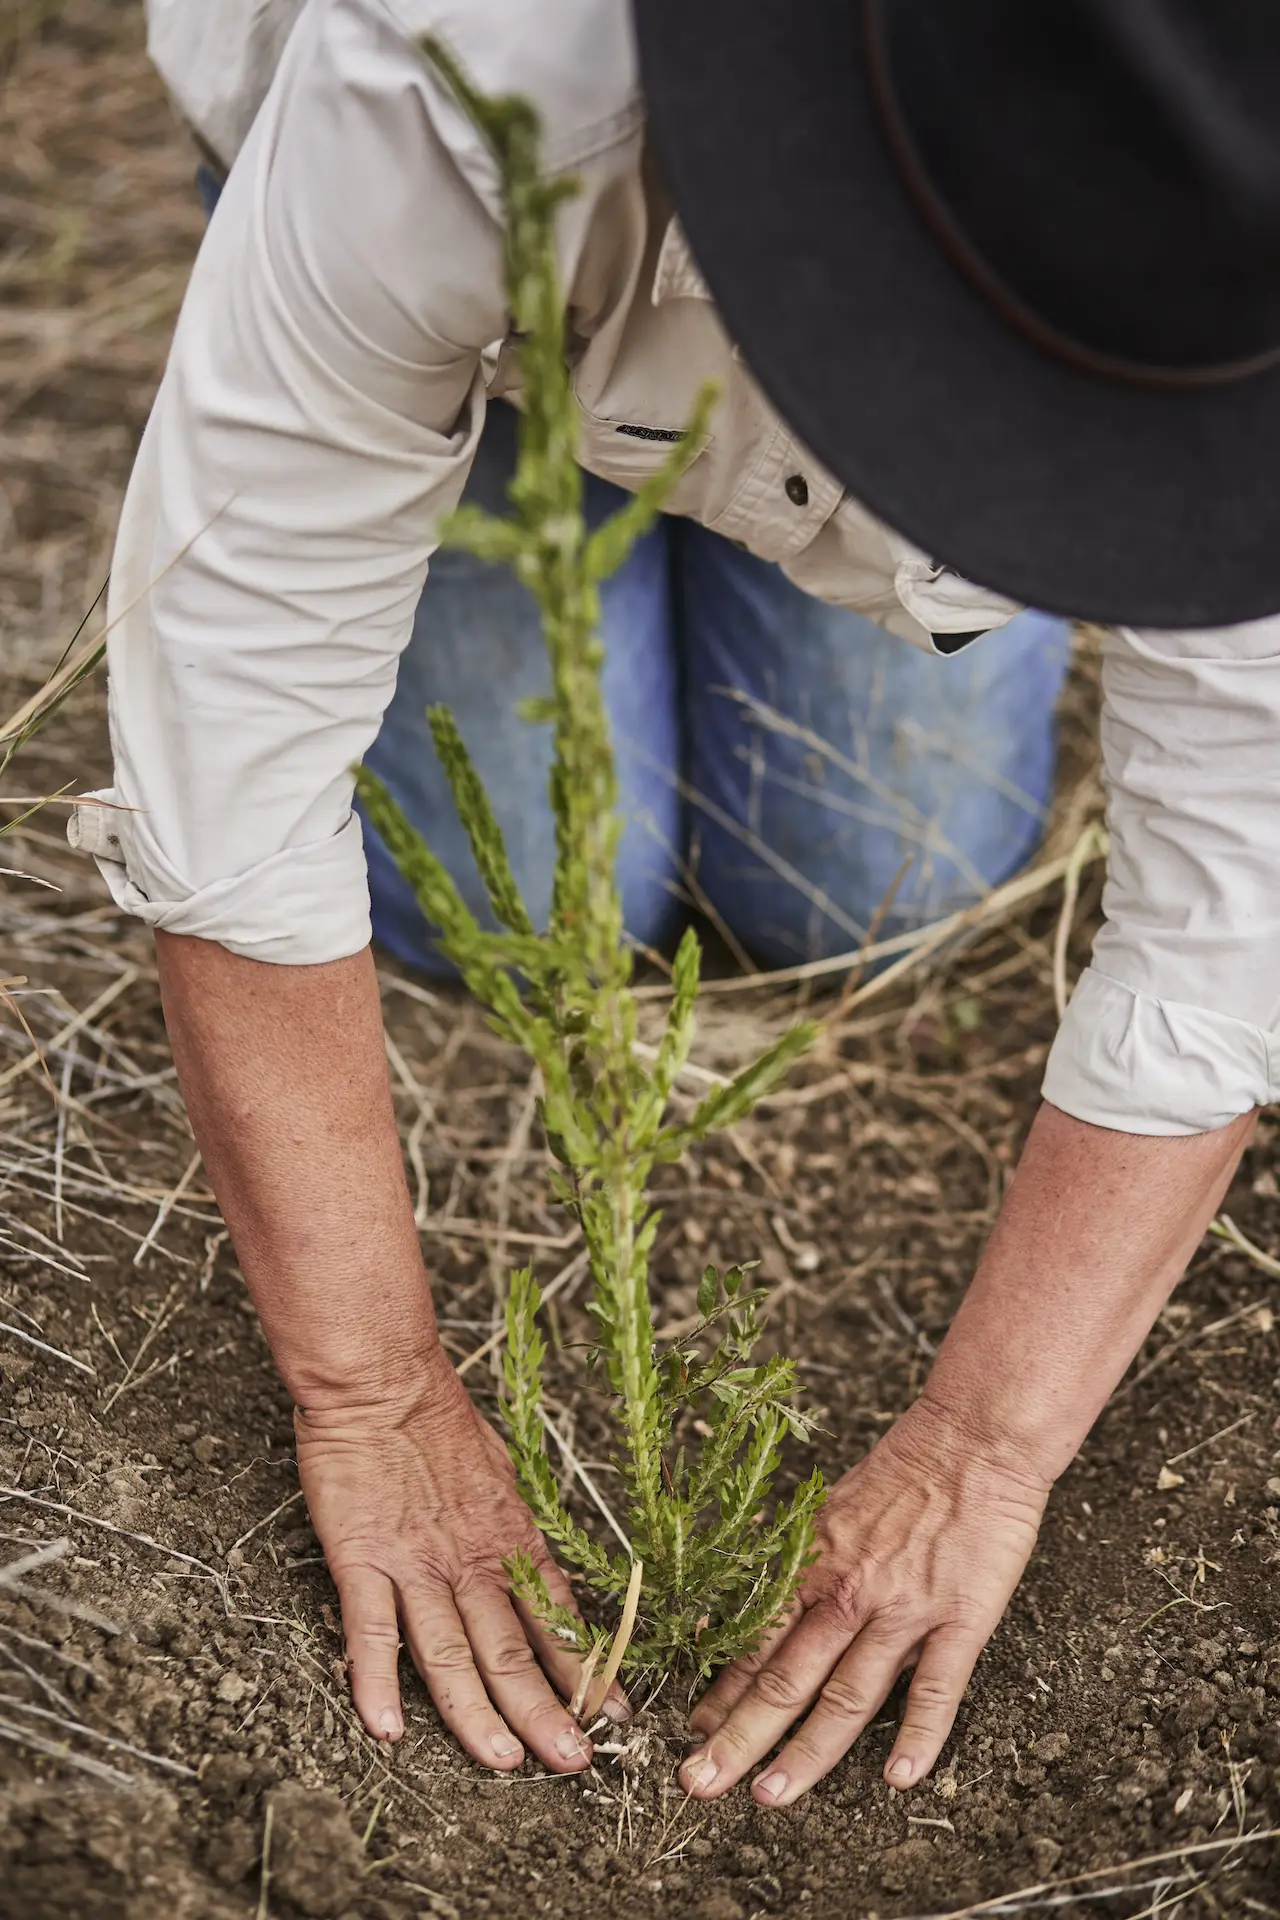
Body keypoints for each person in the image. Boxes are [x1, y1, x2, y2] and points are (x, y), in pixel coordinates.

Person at [73, 0, 1280, 1809]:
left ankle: (861, 496)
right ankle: (520, 461)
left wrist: (985, 1449)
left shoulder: (1235, 249)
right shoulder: (461, 77)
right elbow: (231, 773)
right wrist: (372, 1391)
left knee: (875, 880)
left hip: (933, 381)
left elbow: (1229, 926)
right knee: (542, 901)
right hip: (498, 286)